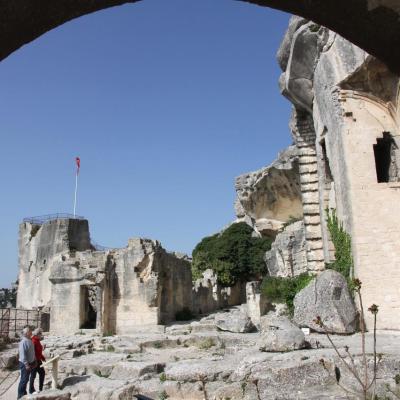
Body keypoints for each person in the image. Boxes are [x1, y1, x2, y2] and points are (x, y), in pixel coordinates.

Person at [17, 326, 36, 399]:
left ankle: (24, 393)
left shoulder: (29, 340)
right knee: (24, 380)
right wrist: (26, 365)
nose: (31, 332)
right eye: (30, 331)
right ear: (27, 333)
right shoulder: (23, 342)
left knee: (26, 379)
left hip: (30, 363)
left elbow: (32, 351)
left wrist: (35, 360)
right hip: (25, 364)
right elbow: (22, 355)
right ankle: (20, 396)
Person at [29, 328, 46, 394]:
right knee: (33, 375)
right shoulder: (33, 341)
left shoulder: (37, 340)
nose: (41, 335)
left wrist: (42, 357)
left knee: (42, 373)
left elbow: (38, 351)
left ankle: (40, 389)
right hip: (34, 361)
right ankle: (31, 390)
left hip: (38, 360)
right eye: (40, 334)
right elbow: (33, 352)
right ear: (37, 334)